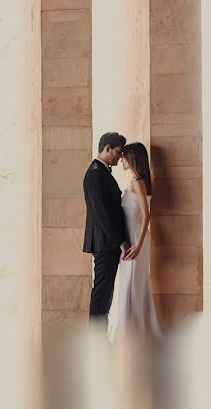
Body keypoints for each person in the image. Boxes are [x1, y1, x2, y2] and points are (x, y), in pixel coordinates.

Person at [109, 141, 162, 340]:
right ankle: (132, 331)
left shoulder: (139, 182)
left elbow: (147, 214)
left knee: (132, 282)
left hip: (136, 239)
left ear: (132, 159)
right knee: (129, 282)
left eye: (124, 156)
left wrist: (138, 244)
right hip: (132, 238)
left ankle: (131, 334)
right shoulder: (135, 181)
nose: (121, 159)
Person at [83, 132, 131, 329]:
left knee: (106, 290)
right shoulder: (95, 173)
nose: (120, 158)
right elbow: (103, 214)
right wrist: (121, 241)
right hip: (104, 242)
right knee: (102, 291)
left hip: (106, 241)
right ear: (107, 148)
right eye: (118, 152)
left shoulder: (101, 171)